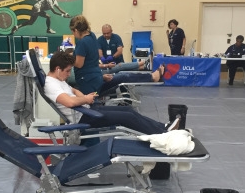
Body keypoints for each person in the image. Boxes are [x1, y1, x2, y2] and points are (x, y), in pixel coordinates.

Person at [44, 51, 178, 135]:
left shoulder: (58, 79)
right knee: (127, 118)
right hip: (83, 116)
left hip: (86, 109)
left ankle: (163, 127)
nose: (68, 74)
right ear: (57, 69)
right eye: (67, 71)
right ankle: (163, 133)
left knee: (128, 110)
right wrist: (85, 99)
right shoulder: (51, 85)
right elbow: (69, 102)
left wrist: (84, 98)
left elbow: (73, 90)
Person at [69, 15, 103, 94]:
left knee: (86, 104)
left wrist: (68, 59)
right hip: (96, 76)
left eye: (73, 32)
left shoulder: (82, 43)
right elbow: (88, 53)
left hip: (87, 80)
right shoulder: (92, 35)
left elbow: (79, 64)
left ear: (76, 30)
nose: (73, 35)